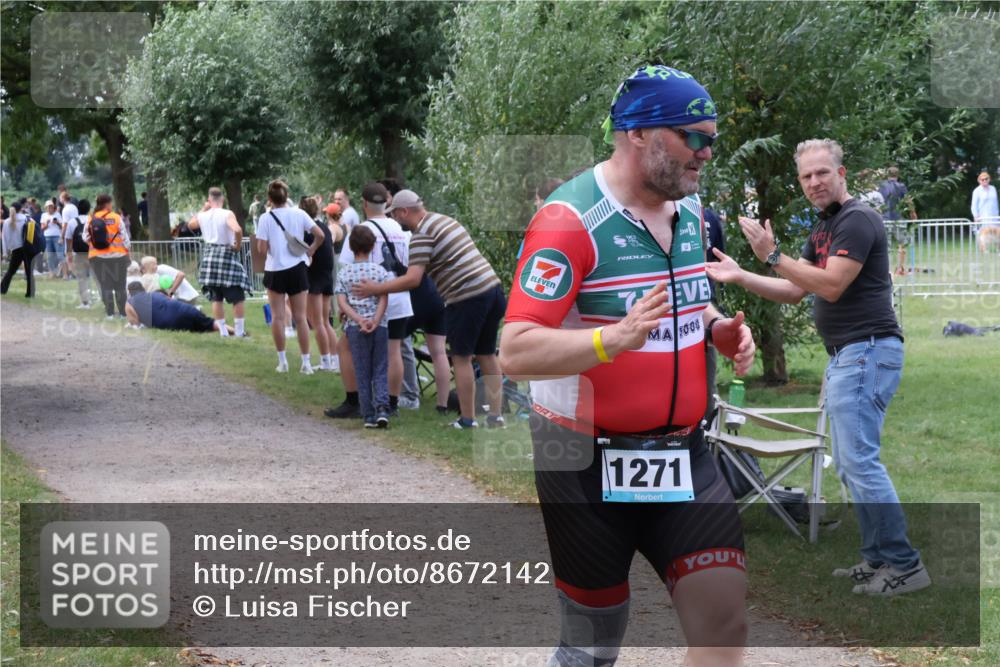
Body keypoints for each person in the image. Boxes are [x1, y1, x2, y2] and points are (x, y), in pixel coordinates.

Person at [499, 65, 756, 667]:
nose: (706, 152)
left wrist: (714, 329)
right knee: (593, 647)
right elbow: (515, 348)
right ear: (638, 134)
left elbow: (685, 300)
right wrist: (608, 342)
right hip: (583, 461)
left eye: (711, 138)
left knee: (724, 624)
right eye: (693, 136)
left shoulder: (689, 213)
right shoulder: (568, 222)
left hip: (682, 452)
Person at [706, 138, 930, 597]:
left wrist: (772, 256)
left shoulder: (857, 220)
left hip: (866, 352)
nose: (814, 182)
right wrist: (740, 273)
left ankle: (905, 566)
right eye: (806, 176)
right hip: (848, 356)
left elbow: (830, 286)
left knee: (860, 464)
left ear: (841, 173)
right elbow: (794, 289)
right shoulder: (824, 228)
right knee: (851, 466)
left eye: (822, 173)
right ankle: (877, 561)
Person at [359, 188, 507, 429]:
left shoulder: (421, 235)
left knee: (461, 358)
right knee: (487, 354)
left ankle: (467, 420)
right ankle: (496, 416)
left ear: (404, 211)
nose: (395, 220)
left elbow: (413, 279)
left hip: (467, 297)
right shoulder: (445, 220)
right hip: (492, 289)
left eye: (395, 214)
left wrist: (377, 288)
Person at [327, 182, 412, 418]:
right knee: (393, 351)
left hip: (367, 303)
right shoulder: (400, 227)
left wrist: (345, 307)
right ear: (386, 203)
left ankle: (354, 400)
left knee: (345, 347)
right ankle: (391, 403)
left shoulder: (362, 229)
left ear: (364, 204)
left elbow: (348, 266)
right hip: (399, 296)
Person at [256, 179, 325, 373]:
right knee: (301, 318)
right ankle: (306, 363)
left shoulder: (265, 218)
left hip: (275, 270)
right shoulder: (300, 213)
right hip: (297, 268)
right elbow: (320, 235)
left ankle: (283, 362)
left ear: (270, 199)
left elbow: (261, 248)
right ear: (287, 196)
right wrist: (310, 251)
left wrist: (273, 248)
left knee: (278, 317)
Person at [335, 225, 391, 428]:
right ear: (373, 247)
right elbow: (383, 297)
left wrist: (358, 319)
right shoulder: (380, 271)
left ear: (350, 247)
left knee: (362, 369)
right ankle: (383, 408)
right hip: (380, 326)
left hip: (355, 327)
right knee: (380, 367)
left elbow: (342, 303)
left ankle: (367, 413)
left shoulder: (345, 273)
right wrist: (375, 319)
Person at [187, 187, 253, 338]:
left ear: (209, 200)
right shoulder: (227, 213)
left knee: (216, 296)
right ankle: (239, 331)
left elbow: (190, 225)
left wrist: (204, 208)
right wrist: (237, 246)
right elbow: (237, 229)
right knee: (237, 295)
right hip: (225, 253)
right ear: (222, 199)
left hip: (209, 254)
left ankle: (223, 332)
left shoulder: (203, 215)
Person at [301, 197, 339, 371]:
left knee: (317, 322)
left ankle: (325, 361)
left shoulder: (308, 231)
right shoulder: (324, 228)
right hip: (326, 277)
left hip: (314, 278)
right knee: (324, 321)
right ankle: (335, 358)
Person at [84, 193, 131, 319]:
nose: (112, 205)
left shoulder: (91, 218)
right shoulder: (116, 217)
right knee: (120, 285)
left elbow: (85, 237)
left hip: (97, 257)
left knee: (106, 285)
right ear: (107, 204)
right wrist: (127, 252)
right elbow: (125, 239)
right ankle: (122, 314)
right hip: (118, 256)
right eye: (111, 203)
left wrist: (94, 243)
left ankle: (109, 314)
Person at [125, 281, 234, 334]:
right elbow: (170, 300)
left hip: (168, 322)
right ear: (143, 289)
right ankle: (236, 332)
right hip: (186, 309)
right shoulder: (156, 294)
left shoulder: (129, 303)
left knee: (194, 328)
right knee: (210, 323)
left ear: (130, 293)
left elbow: (135, 324)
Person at [1, 203, 35, 298]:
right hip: (28, 249)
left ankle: (2, 289)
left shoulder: (7, 222)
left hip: (16, 249)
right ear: (21, 209)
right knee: (29, 272)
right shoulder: (28, 219)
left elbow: (4, 238)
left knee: (11, 271)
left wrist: (5, 252)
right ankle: (30, 293)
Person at [63, 198, 92, 308]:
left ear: (77, 209)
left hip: (79, 254)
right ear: (89, 209)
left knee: (82, 278)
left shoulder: (72, 222)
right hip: (93, 253)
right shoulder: (93, 220)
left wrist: (69, 254)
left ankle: (85, 302)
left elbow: (68, 239)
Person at [41, 201, 64, 278]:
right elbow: (42, 228)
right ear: (46, 208)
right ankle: (52, 272)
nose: (49, 208)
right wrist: (47, 224)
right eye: (48, 207)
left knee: (60, 255)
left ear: (53, 207)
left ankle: (63, 272)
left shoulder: (57, 214)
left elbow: (62, 227)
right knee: (50, 256)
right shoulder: (43, 215)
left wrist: (57, 222)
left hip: (57, 236)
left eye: (51, 206)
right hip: (47, 237)